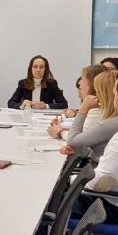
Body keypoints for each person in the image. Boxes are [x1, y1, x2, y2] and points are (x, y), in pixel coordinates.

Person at [72, 77, 118, 223]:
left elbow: (102, 183)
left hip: (109, 205)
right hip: (110, 197)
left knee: (49, 200)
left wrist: (69, 180)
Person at [60, 70, 118, 165]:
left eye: (98, 91)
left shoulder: (110, 124)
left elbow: (72, 140)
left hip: (96, 172)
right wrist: (80, 149)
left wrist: (83, 108)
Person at [47, 65, 104, 140]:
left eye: (83, 79)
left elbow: (78, 139)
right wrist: (63, 127)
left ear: (92, 83)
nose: (79, 83)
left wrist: (60, 132)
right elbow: (83, 131)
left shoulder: (96, 108)